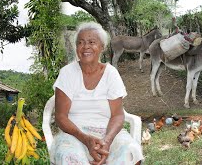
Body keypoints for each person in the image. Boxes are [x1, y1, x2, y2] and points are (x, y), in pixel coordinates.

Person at [50, 21, 143, 165]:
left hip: (107, 133)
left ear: (102, 47)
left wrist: (106, 141)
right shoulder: (67, 73)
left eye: (91, 42)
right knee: (68, 156)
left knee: (131, 151)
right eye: (80, 43)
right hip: (74, 134)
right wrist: (86, 139)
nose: (85, 46)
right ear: (76, 48)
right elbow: (61, 117)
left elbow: (117, 115)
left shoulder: (111, 73)